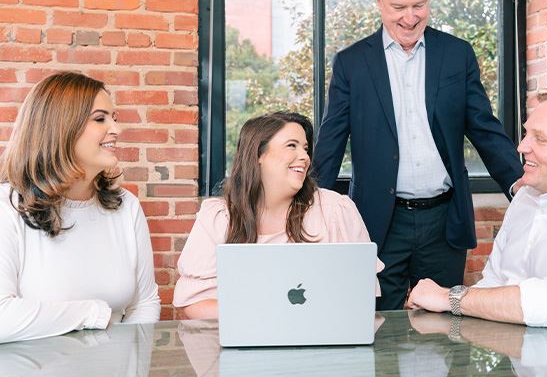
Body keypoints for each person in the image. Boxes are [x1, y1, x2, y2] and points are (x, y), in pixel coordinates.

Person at [312, 0, 523, 310]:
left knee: (443, 329)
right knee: (377, 323)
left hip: (443, 220)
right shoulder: (351, 63)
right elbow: (332, 139)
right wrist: (310, 203)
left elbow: (484, 127)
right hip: (378, 220)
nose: (410, 18)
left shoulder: (457, 54)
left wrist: (520, 185)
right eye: (398, 7)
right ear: (378, 1)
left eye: (419, 5)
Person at [407, 91, 547, 330]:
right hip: (525, 360)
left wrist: (449, 298)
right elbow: (493, 285)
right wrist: (440, 312)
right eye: (526, 133)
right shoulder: (525, 198)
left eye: (540, 139)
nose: (521, 147)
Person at [0, 72, 160, 344]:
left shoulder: (126, 207)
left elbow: (144, 303)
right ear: (60, 127)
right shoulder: (8, 206)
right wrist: (93, 313)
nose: (116, 130)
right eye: (100, 119)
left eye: (114, 118)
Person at [173, 112, 383, 319]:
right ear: (258, 155)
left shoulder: (336, 210)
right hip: (244, 344)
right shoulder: (218, 218)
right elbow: (193, 302)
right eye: (292, 145)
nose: (305, 157)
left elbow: (363, 296)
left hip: (324, 345)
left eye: (306, 148)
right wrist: (272, 316)